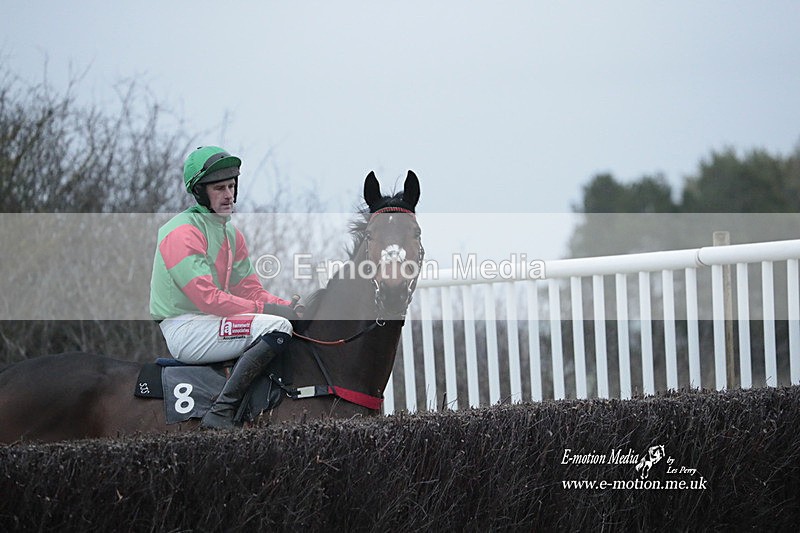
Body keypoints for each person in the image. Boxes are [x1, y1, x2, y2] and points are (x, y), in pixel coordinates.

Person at [150, 145, 297, 429]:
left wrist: (290, 307)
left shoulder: (231, 234)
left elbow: (251, 291)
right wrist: (271, 311)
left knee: (286, 321)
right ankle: (221, 412)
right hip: (185, 329)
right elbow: (208, 299)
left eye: (231, 186)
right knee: (277, 326)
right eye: (219, 188)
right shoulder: (181, 232)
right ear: (200, 192)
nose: (228, 194)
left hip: (211, 323)